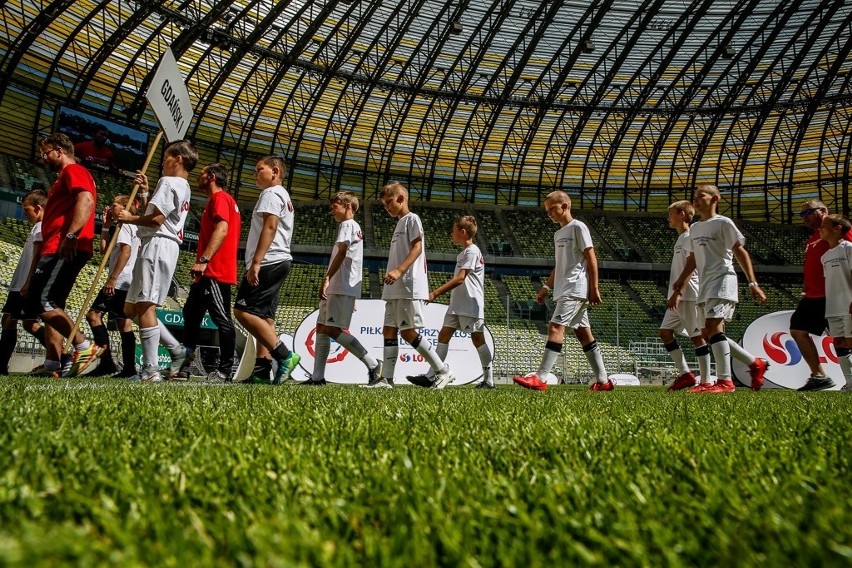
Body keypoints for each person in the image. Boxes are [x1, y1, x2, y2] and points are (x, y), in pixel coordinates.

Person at [669, 184, 769, 393]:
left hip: (723, 280)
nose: (696, 200)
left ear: (715, 199)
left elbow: (740, 252)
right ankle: (755, 363)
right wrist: (680, 282)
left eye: (701, 196)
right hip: (705, 284)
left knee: (713, 328)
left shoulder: (724, 223)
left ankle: (725, 382)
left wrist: (753, 283)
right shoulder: (695, 228)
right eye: (695, 197)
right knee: (706, 332)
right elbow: (694, 259)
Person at [513, 190, 611, 392]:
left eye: (552, 208)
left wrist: (594, 288)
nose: (549, 213)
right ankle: (603, 382)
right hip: (564, 289)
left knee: (555, 328)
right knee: (584, 334)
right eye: (547, 210)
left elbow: (591, 257)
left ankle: (540, 378)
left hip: (575, 288)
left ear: (565, 206)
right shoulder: (558, 233)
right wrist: (546, 287)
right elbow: (560, 265)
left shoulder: (578, 227)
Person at [117, 139, 196, 383]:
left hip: (158, 243)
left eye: (166, 157)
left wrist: (130, 218)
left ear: (178, 159)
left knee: (146, 305)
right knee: (130, 309)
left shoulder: (169, 181)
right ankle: (177, 350)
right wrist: (144, 192)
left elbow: (156, 219)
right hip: (158, 244)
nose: (163, 161)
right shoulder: (182, 185)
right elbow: (158, 212)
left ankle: (150, 370)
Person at [363, 181, 455, 389]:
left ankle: (443, 370)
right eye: (384, 204)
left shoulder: (412, 219)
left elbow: (417, 247)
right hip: (395, 289)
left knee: (408, 332)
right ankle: (386, 379)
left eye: (389, 202)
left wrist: (398, 271)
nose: (386, 207)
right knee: (388, 329)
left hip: (407, 285)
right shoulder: (400, 222)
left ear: (401, 199)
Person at [27, 133, 99, 377]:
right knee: (52, 304)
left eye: (46, 153)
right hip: (58, 245)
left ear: (59, 150)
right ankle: (55, 362)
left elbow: (86, 200)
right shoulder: (64, 177)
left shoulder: (73, 171)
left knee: (41, 302)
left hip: (62, 246)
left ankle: (83, 345)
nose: (43, 158)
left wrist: (70, 236)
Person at [233, 155, 301, 384]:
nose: (255, 174)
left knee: (243, 312)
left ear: (274, 171)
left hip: (269, 260)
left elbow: (270, 227)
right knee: (265, 318)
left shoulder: (270, 193)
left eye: (258, 169)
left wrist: (256, 263)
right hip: (280, 259)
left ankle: (284, 355)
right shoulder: (284, 195)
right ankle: (261, 371)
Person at [171, 163, 241, 383]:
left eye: (201, 174)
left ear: (211, 177)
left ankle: (225, 371)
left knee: (222, 320)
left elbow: (222, 229)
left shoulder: (220, 199)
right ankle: (184, 367)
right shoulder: (220, 201)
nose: (197, 177)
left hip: (215, 271)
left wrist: (204, 260)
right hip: (207, 273)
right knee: (191, 314)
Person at [303, 191, 382, 386]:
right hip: (339, 286)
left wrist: (327, 277)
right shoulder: (352, 227)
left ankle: (372, 364)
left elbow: (342, 253)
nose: (332, 210)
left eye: (335, 206)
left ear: (347, 206)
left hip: (340, 285)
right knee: (321, 328)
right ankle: (317, 377)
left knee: (332, 329)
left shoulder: (347, 225)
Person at [408, 215, 494, 389]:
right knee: (443, 335)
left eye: (454, 230)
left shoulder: (472, 251)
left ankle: (489, 380)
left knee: (478, 339)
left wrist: (434, 293)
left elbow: (461, 279)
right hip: (457, 304)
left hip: (470, 304)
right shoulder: (464, 253)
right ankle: (432, 375)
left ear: (462, 232)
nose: (451, 233)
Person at [791, 201, 852, 391]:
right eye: (802, 214)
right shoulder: (813, 238)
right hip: (813, 296)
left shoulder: (839, 234)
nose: (804, 217)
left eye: (808, 212)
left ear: (823, 211)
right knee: (798, 330)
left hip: (835, 296)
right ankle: (820, 376)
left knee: (844, 340)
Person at [86, 195, 140, 377]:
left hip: (120, 280)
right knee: (124, 323)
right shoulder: (131, 227)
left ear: (125, 207)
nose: (110, 207)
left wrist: (112, 278)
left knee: (93, 315)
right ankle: (129, 368)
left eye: (114, 205)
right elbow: (105, 250)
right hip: (127, 281)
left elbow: (126, 250)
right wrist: (106, 226)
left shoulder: (125, 225)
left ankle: (107, 361)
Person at [661, 200, 712, 391]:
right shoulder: (681, 237)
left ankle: (706, 381)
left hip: (689, 295)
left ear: (682, 214)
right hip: (679, 295)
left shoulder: (690, 236)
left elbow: (692, 266)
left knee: (697, 337)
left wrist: (678, 292)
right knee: (664, 332)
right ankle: (686, 374)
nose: (669, 218)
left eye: (671, 214)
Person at [0, 190, 48, 374]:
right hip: (21, 282)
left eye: (27, 210)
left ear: (38, 208)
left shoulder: (41, 226)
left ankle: (59, 354)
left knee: (14, 320)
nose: (25, 214)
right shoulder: (38, 226)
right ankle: (59, 354)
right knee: (20, 321)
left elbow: (37, 255)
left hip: (24, 284)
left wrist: (29, 282)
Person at [818, 214, 852, 391]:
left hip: (849, 306)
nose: (820, 229)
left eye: (824, 225)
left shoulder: (849, 249)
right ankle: (850, 383)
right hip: (833, 308)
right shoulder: (824, 257)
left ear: (837, 229)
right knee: (838, 343)